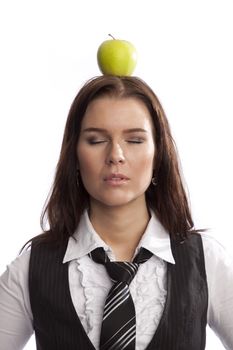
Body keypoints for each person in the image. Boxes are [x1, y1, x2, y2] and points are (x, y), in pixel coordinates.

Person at [0, 75, 233, 350]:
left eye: (135, 140)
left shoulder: (206, 263)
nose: (116, 155)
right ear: (74, 155)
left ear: (158, 155)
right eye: (96, 140)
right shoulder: (29, 270)